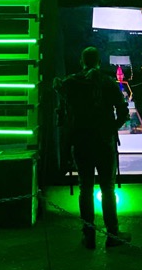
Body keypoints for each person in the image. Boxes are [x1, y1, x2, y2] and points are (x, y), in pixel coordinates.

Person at [54, 46, 131, 249]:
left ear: (81, 61)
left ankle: (88, 235)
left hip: (80, 142)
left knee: (85, 188)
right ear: (98, 62)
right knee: (107, 188)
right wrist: (110, 129)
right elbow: (123, 112)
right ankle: (112, 234)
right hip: (104, 143)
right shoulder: (107, 82)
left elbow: (62, 115)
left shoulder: (70, 83)